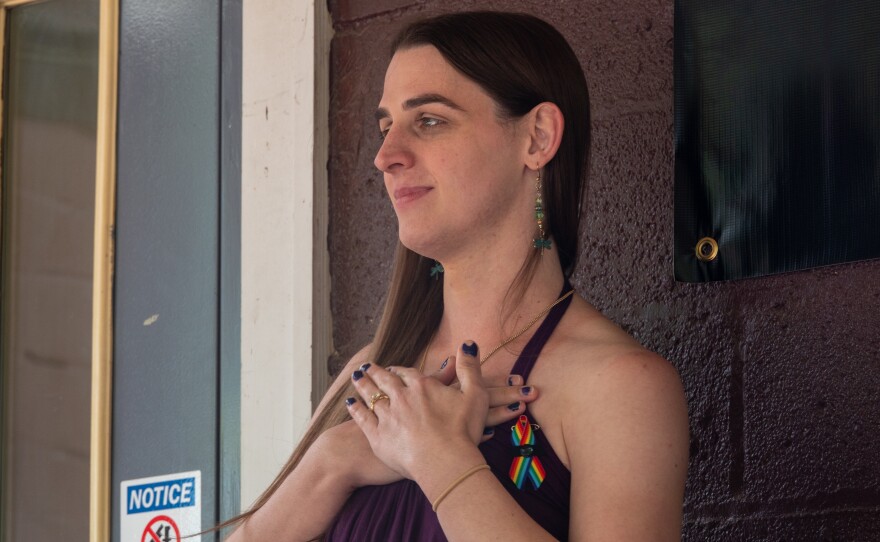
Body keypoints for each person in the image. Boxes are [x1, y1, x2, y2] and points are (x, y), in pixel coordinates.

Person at [224, 10, 688, 541]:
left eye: (429, 121)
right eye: (385, 127)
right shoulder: (369, 375)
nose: (385, 156)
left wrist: (438, 459)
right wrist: (331, 461)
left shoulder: (620, 387)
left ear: (537, 137)